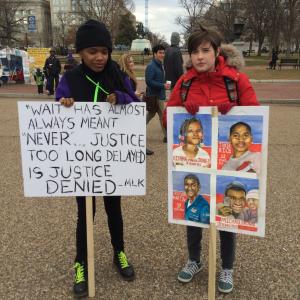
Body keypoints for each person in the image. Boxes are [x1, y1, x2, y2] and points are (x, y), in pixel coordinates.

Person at [164, 26, 259, 293]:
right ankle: (194, 260)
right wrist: (183, 111)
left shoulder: (235, 81)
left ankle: (227, 266)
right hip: (195, 164)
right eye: (194, 51)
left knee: (227, 216)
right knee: (192, 214)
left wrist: (235, 112)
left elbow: (253, 116)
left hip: (228, 165)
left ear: (217, 51)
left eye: (205, 50)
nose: (199, 56)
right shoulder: (185, 83)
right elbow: (167, 120)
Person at [55, 19, 139, 297]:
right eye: (92, 51)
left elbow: (135, 103)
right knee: (85, 214)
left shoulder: (116, 74)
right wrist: (63, 103)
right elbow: (57, 107)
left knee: (114, 210)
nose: (99, 57)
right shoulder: (70, 79)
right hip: (82, 165)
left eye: (104, 51)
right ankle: (81, 263)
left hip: (112, 164)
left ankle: (119, 253)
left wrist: (121, 98)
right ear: (80, 53)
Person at [118, 53, 154, 155]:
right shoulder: (125, 75)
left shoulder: (129, 74)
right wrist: (136, 96)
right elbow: (128, 91)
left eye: (132, 61)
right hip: (130, 104)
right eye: (129, 61)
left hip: (131, 103)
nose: (132, 63)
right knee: (135, 128)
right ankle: (140, 147)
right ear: (125, 63)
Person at [145, 44, 170, 143]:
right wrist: (162, 86)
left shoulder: (159, 64)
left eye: (163, 53)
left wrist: (163, 86)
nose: (162, 54)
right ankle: (167, 136)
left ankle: (166, 136)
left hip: (159, 95)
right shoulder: (151, 66)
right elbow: (149, 81)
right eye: (160, 52)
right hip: (155, 96)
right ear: (155, 54)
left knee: (152, 115)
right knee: (162, 116)